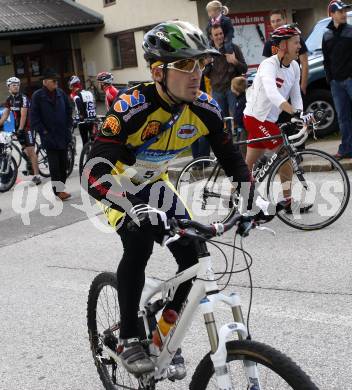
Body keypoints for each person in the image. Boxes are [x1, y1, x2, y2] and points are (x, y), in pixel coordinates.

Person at [83, 21, 265, 377]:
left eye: (200, 64)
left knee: (194, 253)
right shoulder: (131, 108)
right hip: (118, 184)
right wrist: (131, 207)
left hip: (155, 183)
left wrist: (248, 203)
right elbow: (93, 171)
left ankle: (164, 331)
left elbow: (231, 160)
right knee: (138, 245)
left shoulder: (205, 108)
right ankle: (131, 337)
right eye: (184, 65)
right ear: (157, 72)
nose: (196, 74)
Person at [243, 24, 314, 212]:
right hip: (256, 118)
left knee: (247, 166)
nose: (300, 46)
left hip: (267, 120)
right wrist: (294, 112)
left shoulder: (295, 67)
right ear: (283, 45)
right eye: (296, 42)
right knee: (284, 155)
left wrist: (302, 116)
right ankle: (288, 201)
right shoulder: (269, 65)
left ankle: (236, 197)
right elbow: (272, 93)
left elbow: (296, 95)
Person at [30, 69, 72, 200]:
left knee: (64, 165)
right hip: (49, 136)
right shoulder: (38, 96)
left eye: (56, 80)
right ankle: (59, 191)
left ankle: (61, 189)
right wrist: (43, 131)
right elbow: (34, 117)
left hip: (63, 134)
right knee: (54, 167)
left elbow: (69, 109)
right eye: (53, 81)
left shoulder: (60, 93)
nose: (56, 83)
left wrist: (69, 126)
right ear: (45, 82)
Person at [322, 0, 352, 160]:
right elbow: (326, 60)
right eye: (340, 11)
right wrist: (330, 79)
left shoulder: (351, 31)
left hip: (350, 80)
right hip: (336, 84)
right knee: (343, 117)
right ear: (332, 14)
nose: (344, 14)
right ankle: (346, 149)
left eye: (344, 11)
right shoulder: (326, 34)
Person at [0, 77, 41, 185]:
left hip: (28, 127)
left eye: (17, 84)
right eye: (13, 85)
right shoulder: (9, 99)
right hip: (19, 127)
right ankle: (31, 166)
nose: (16, 86)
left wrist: (21, 129)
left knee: (31, 151)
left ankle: (37, 175)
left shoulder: (23, 98)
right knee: (24, 150)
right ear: (9, 87)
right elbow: (5, 114)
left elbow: (23, 115)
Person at [262, 10, 309, 96]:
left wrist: (303, 85)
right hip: (277, 87)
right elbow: (266, 67)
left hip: (294, 83)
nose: (276, 23)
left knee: (296, 108)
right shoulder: (269, 43)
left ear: (285, 20)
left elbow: (305, 63)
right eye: (273, 21)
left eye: (278, 20)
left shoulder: (296, 38)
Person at [204, 25, 247, 117]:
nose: (219, 36)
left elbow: (244, 69)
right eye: (216, 35)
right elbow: (204, 73)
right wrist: (206, 64)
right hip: (217, 91)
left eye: (221, 33)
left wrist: (235, 61)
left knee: (237, 117)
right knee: (221, 119)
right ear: (211, 37)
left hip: (233, 90)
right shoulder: (207, 51)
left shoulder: (233, 48)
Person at [68, 75, 96, 146]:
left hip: (83, 121)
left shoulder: (76, 96)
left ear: (73, 86)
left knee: (85, 141)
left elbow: (80, 109)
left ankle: (87, 154)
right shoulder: (89, 92)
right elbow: (94, 105)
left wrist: (76, 119)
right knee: (94, 141)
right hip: (92, 119)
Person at [231, 76, 247, 156]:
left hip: (244, 128)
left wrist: (235, 121)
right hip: (241, 127)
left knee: (242, 148)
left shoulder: (241, 100)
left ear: (235, 88)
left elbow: (239, 115)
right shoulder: (240, 98)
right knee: (239, 146)